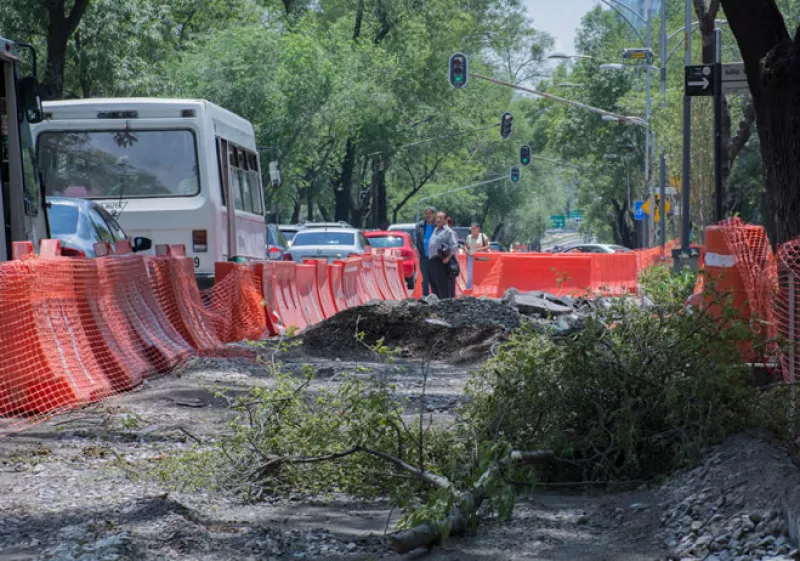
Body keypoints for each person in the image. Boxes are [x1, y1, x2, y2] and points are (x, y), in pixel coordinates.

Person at [428, 211, 458, 299]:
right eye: (437, 218)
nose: (438, 220)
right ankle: (437, 303)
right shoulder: (435, 230)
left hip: (443, 261)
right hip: (433, 261)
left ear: (445, 220)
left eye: (440, 218)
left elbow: (454, 246)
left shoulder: (448, 231)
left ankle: (445, 303)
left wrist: (447, 258)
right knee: (434, 285)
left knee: (443, 286)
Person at [415, 206, 437, 296]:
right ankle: (425, 297)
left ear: (434, 214)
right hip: (424, 256)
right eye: (426, 214)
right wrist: (417, 250)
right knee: (425, 279)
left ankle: (436, 297)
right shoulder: (419, 226)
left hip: (435, 257)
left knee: (435, 278)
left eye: (429, 214)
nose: (427, 216)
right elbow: (417, 240)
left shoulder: (438, 225)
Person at [464, 222, 489, 289]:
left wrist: (479, 249)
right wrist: (466, 250)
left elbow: (488, 246)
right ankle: (468, 289)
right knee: (470, 274)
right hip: (471, 257)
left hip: (481, 258)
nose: (473, 230)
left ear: (478, 229)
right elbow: (466, 246)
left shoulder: (483, 236)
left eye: (474, 228)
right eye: (472, 228)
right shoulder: (469, 237)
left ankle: (481, 289)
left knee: (481, 274)